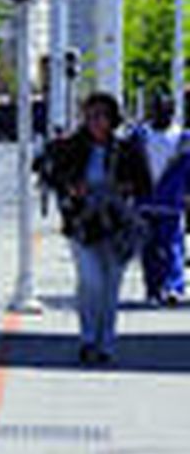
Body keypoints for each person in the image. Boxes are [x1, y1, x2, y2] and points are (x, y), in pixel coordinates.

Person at [45, 92, 151, 365]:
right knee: (90, 281)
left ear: (113, 119)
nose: (96, 121)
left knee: (111, 287)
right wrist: (71, 187)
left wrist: (123, 188)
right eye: (91, 116)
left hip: (116, 227)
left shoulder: (127, 149)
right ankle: (88, 338)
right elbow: (52, 175)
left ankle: (106, 343)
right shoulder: (71, 147)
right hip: (82, 225)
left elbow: (145, 184)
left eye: (102, 115)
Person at [131, 95, 189, 306]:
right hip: (145, 201)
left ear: (172, 112)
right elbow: (128, 164)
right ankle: (153, 288)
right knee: (148, 249)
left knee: (173, 246)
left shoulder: (183, 138)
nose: (161, 113)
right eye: (157, 109)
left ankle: (174, 286)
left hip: (171, 201)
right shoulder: (139, 136)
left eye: (166, 110)